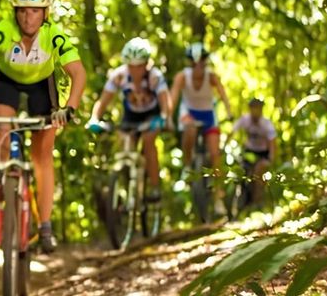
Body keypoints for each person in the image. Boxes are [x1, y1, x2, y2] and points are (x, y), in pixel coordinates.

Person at [0, 0, 86, 253]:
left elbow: (78, 73)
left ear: (45, 13)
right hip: (6, 82)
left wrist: (69, 108)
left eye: (34, 11)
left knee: (42, 155)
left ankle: (45, 226)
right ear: (15, 12)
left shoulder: (53, 34)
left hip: (42, 86)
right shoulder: (5, 30)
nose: (27, 17)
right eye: (21, 10)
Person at [86, 37, 172, 200]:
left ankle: (154, 187)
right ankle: (125, 185)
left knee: (148, 142)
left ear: (146, 64)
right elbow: (103, 101)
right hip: (131, 115)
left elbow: (165, 101)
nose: (135, 70)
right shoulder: (119, 76)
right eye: (131, 66)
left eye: (139, 66)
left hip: (152, 115)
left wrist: (164, 117)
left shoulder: (155, 76)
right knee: (123, 142)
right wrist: (94, 118)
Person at [169, 43, 232, 202]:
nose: (198, 66)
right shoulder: (182, 76)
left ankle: (218, 196)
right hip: (189, 113)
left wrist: (229, 112)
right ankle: (187, 165)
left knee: (215, 154)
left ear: (205, 62)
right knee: (189, 128)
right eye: (194, 63)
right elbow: (173, 97)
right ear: (189, 63)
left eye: (201, 62)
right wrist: (168, 116)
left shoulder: (211, 77)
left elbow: (223, 95)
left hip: (208, 114)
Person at [230, 97, 278, 206]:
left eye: (258, 108)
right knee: (241, 171)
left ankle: (257, 203)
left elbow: (273, 143)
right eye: (253, 108)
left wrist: (271, 160)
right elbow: (233, 131)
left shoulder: (267, 124)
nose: (255, 111)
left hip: (263, 153)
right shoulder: (245, 119)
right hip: (249, 151)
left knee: (258, 173)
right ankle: (239, 200)